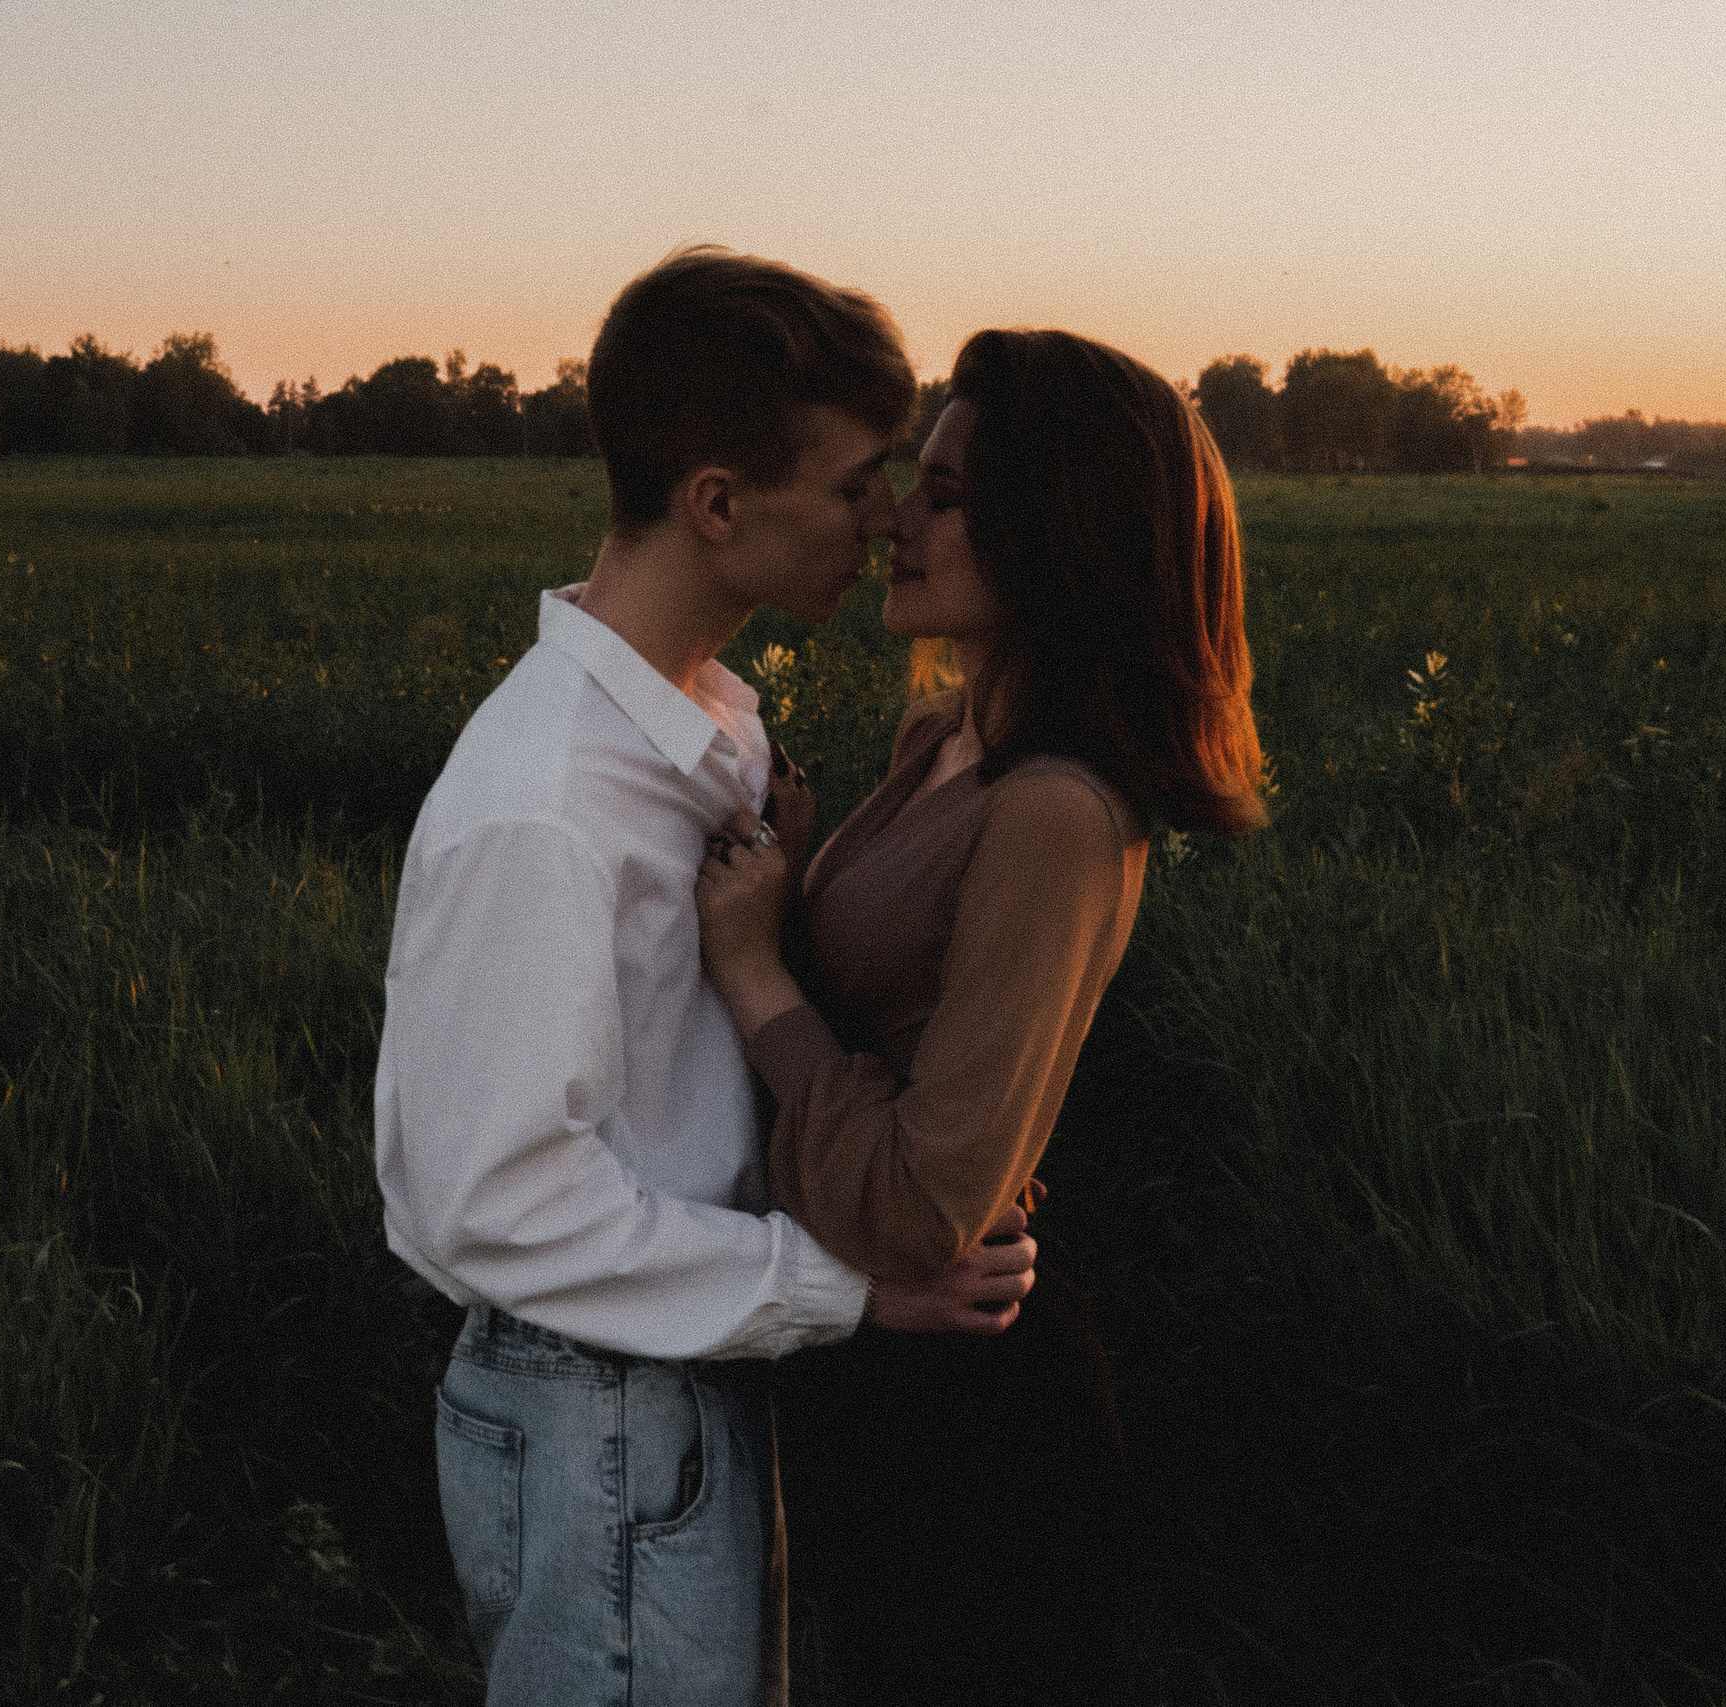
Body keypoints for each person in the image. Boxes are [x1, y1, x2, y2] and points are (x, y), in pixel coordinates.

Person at [373, 248, 1039, 1707]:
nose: (891, 520)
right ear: (721, 503)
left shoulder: (701, 733)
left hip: (668, 1386)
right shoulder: (549, 801)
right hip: (600, 1407)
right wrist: (843, 1287)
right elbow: (500, 1199)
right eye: (861, 482)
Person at [694, 328, 1268, 1703]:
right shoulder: (940, 744)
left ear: (1058, 531)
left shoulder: (1057, 812)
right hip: (876, 1366)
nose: (896, 516)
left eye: (945, 494)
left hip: (972, 1411)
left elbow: (919, 1210)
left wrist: (755, 965)